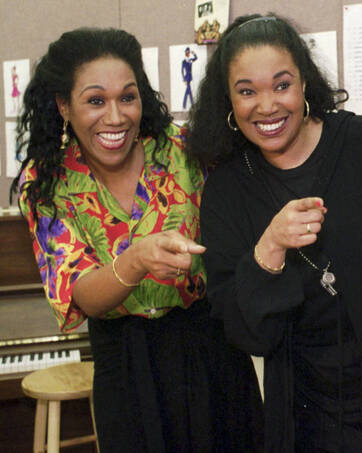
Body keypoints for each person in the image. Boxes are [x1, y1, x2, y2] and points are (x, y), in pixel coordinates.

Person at [10, 27, 263, 453]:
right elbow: (84, 297)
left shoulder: (184, 150)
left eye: (127, 97)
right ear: (63, 107)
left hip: (211, 350)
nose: (115, 116)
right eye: (95, 100)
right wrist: (138, 258)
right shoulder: (48, 182)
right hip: (126, 365)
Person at [187, 13, 362, 453]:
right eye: (246, 91)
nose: (267, 105)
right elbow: (246, 335)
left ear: (304, 84)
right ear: (229, 103)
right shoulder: (226, 190)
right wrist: (270, 247)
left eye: (281, 84)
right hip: (306, 418)